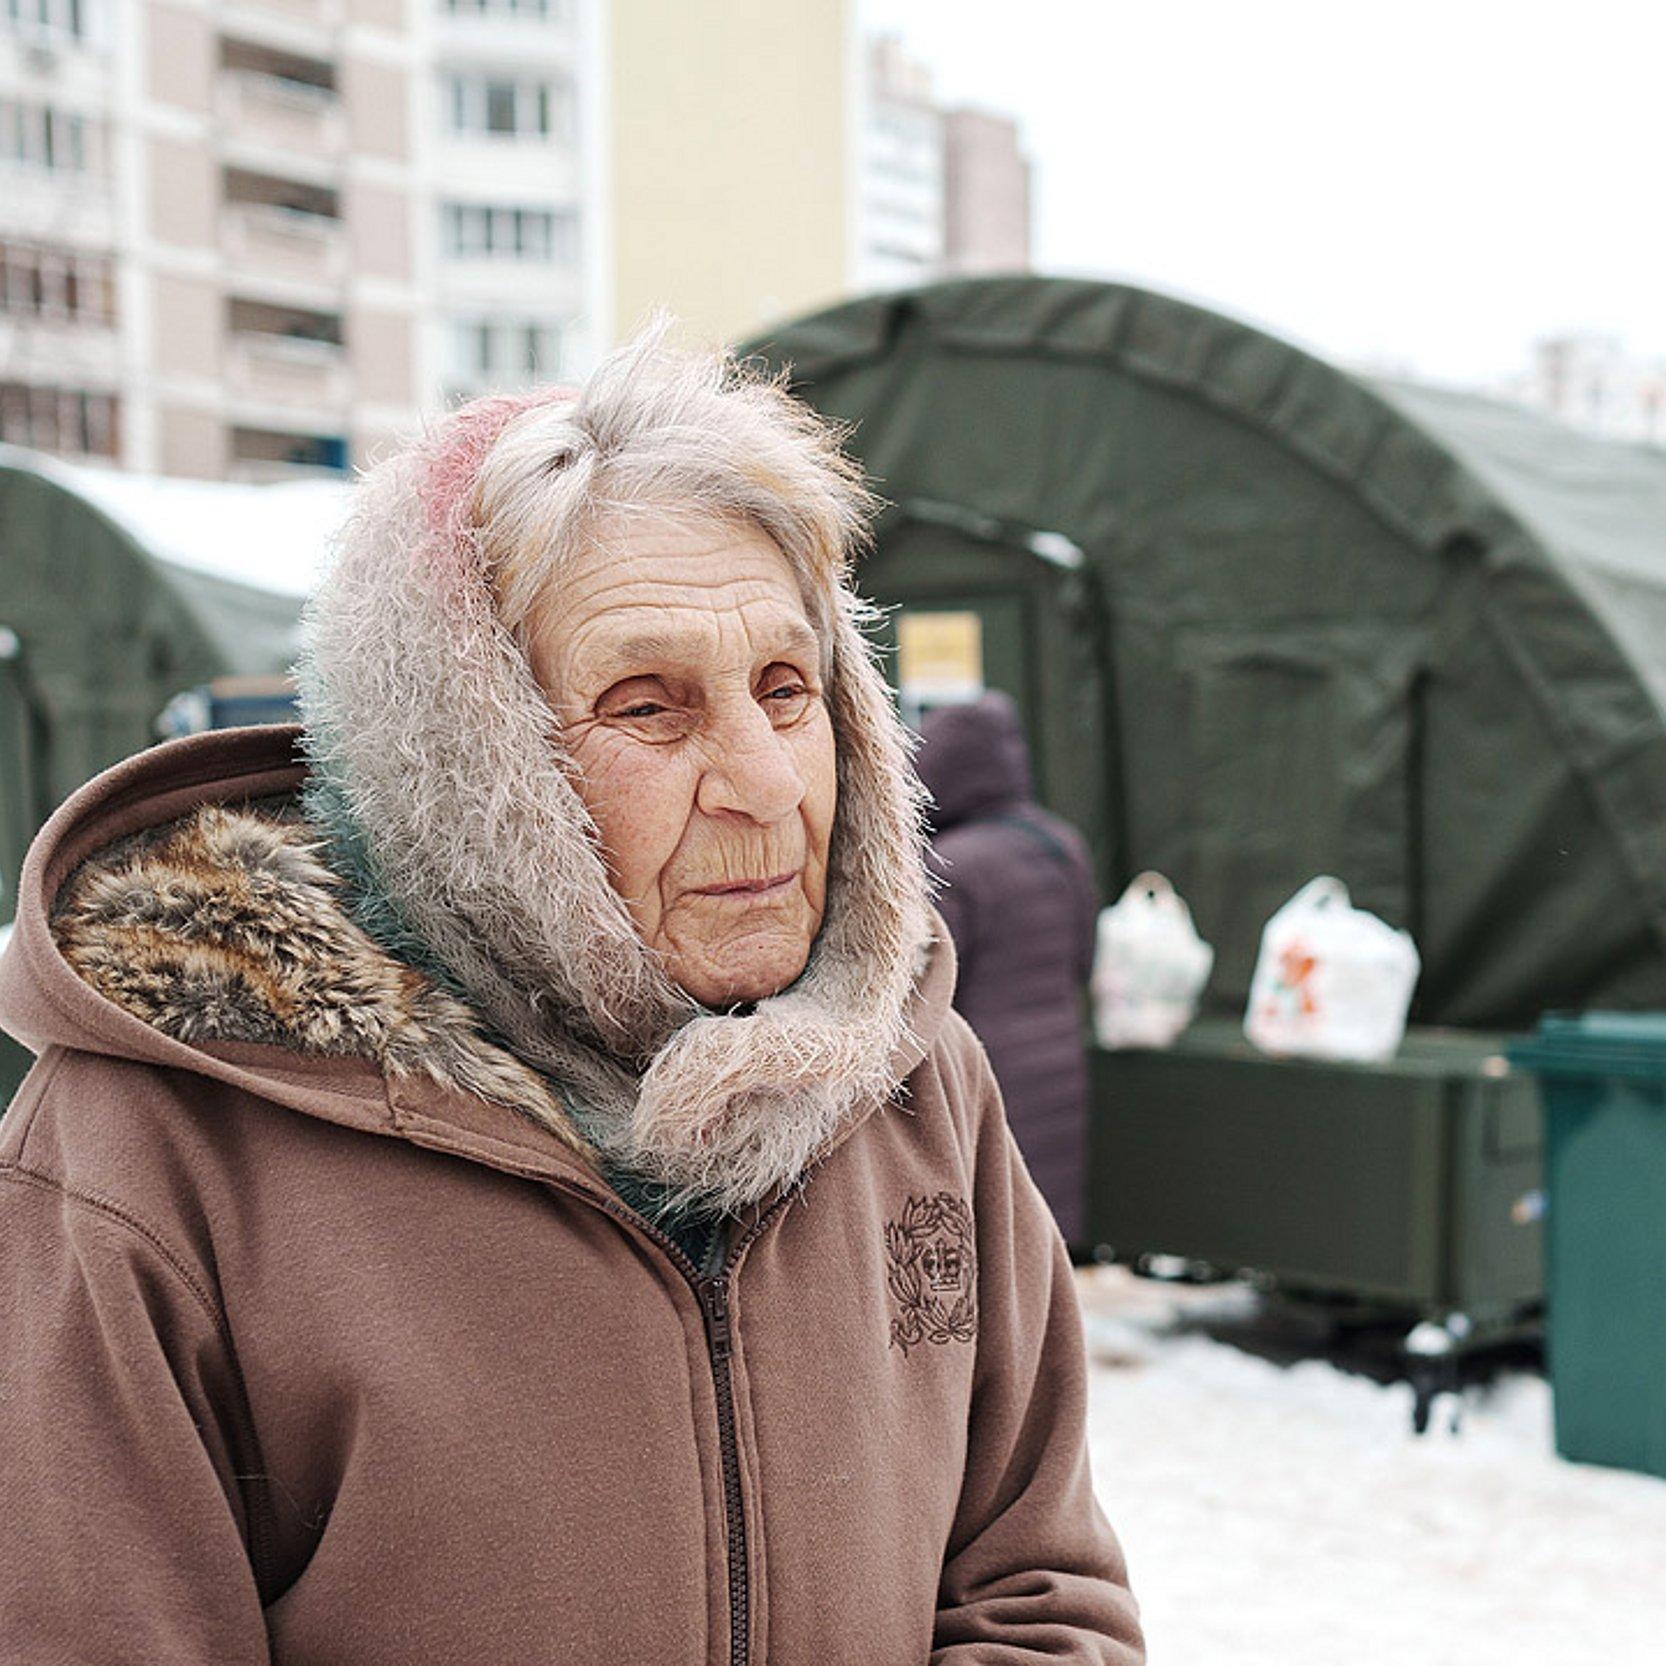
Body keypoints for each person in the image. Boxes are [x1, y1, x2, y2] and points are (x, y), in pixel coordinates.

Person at [0, 334, 1143, 1664]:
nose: (766, 783)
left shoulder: (914, 1084)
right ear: (460, 766)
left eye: (787, 689)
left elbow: (1037, 1583)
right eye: (648, 708)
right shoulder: (155, 1159)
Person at [915, 693, 1099, 1248]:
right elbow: (1083, 959)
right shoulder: (1060, 843)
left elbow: (926, 983)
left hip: (985, 1071)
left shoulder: (950, 863)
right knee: (1042, 1220)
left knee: (989, 1223)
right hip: (1060, 1060)